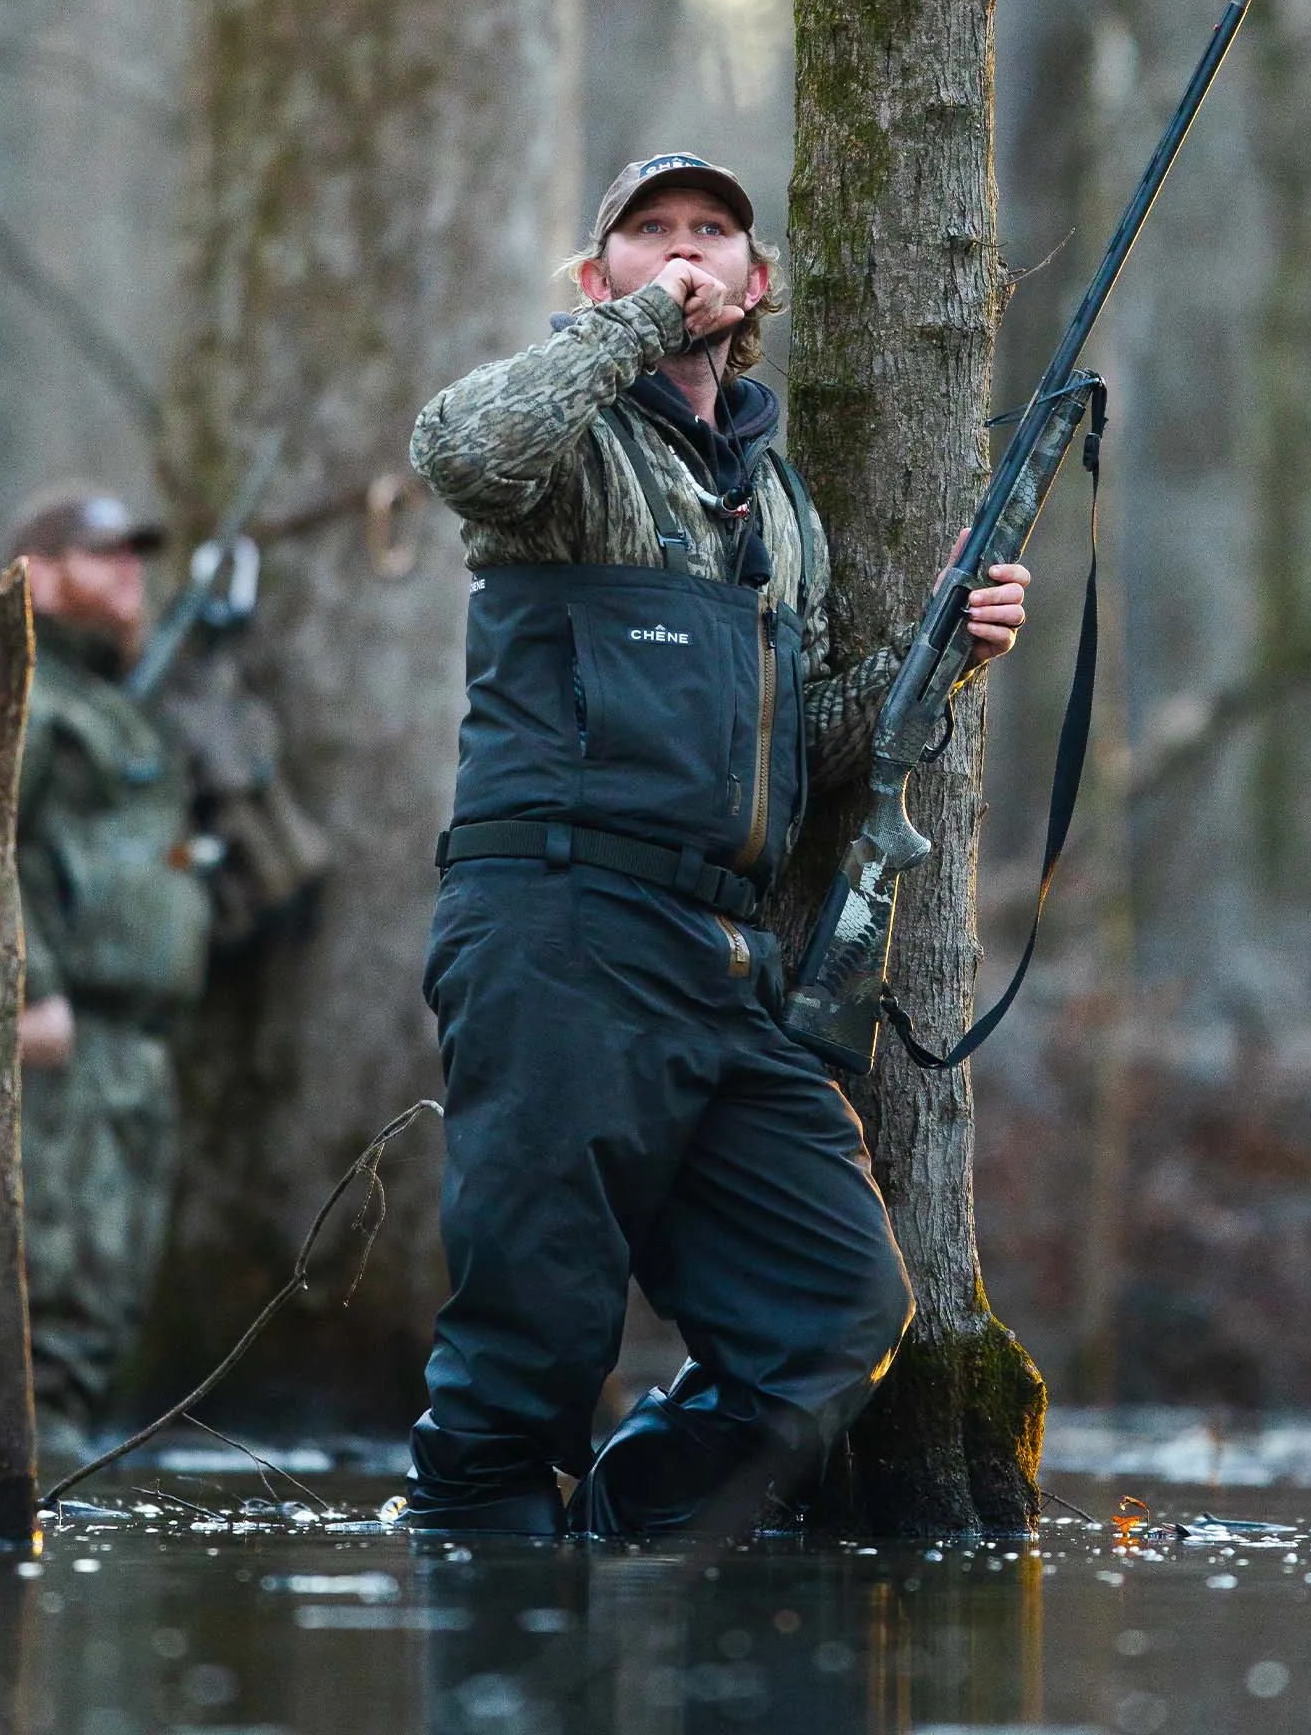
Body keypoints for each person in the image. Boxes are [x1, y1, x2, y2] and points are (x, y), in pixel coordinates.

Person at [405, 152, 1032, 1536]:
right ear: (597, 276)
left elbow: (805, 746)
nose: (685, 254)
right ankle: (487, 1589)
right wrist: (639, 326)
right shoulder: (567, 453)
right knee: (531, 1340)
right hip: (557, 933)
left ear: (762, 285)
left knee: (840, 1314)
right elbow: (459, 446)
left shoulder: (777, 500)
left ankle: (618, 1541)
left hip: (726, 960)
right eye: (650, 235)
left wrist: (940, 653)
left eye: (713, 236)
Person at [0, 488, 213, 1453]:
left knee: (101, 1320)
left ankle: (70, 1566)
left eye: (134, 552)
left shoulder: (111, 705)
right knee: (43, 1333)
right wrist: (26, 993)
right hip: (49, 1047)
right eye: (99, 552)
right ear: (36, 571)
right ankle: (20, 1567)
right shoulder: (6, 686)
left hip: (128, 1048)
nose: (128, 568)